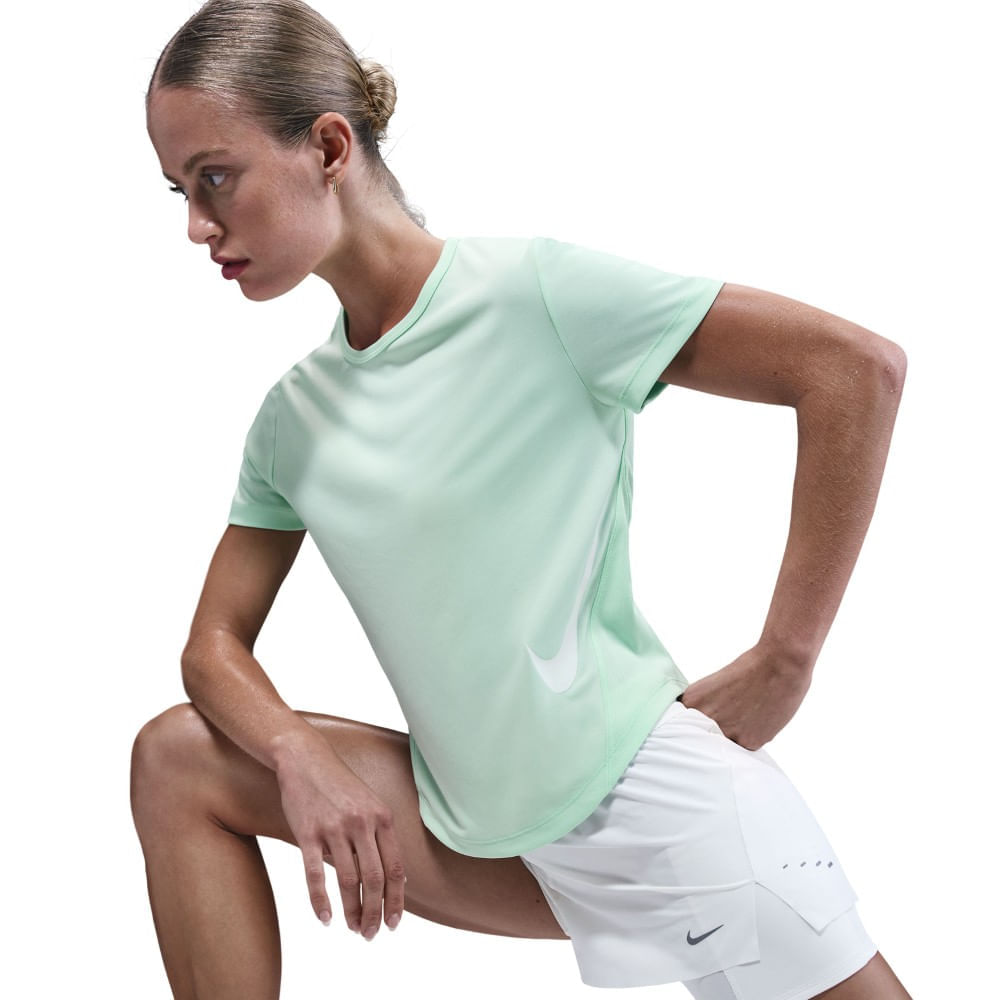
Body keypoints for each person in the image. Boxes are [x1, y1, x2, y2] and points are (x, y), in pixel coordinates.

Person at [130, 1, 913, 998]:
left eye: (215, 178)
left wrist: (785, 658)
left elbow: (852, 371)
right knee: (178, 758)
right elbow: (212, 647)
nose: (197, 226)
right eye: (181, 190)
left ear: (328, 147)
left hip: (657, 805)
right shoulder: (294, 420)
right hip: (488, 839)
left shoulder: (532, 295)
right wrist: (297, 755)